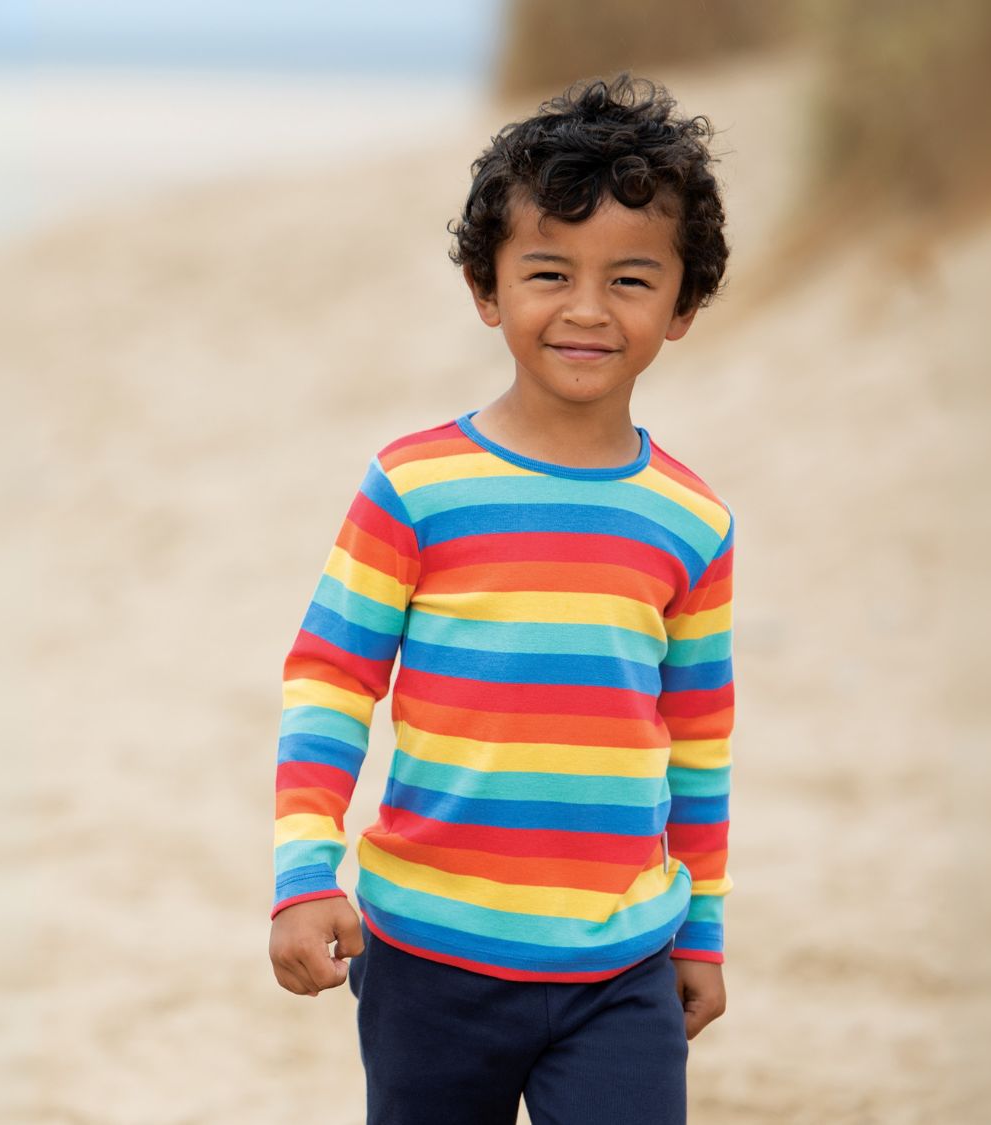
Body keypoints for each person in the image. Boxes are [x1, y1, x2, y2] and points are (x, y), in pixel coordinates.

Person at [268, 72, 734, 1125]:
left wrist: (699, 931)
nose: (584, 308)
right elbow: (331, 681)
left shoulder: (693, 519)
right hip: (430, 956)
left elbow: (701, 743)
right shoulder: (414, 486)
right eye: (546, 272)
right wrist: (305, 873)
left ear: (682, 306)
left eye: (630, 279)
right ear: (488, 290)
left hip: (623, 966)